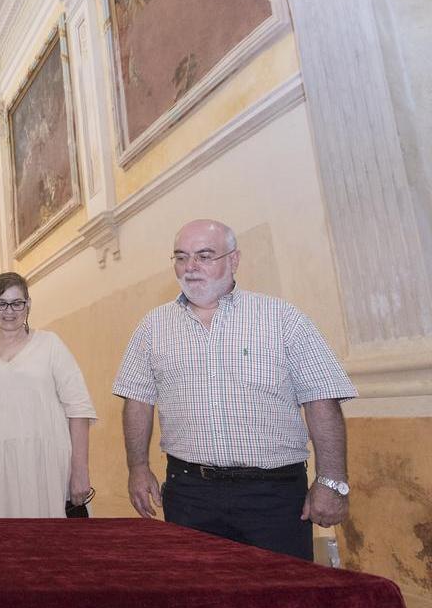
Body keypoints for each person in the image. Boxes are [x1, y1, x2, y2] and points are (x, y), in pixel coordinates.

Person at [113, 219, 357, 560]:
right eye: (182, 257)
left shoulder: (282, 319)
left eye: (205, 255)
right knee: (199, 601)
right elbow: (137, 402)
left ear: (234, 260)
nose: (191, 267)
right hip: (189, 494)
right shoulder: (152, 328)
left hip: (273, 495)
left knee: (281, 601)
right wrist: (138, 468)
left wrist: (331, 481)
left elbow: (322, 401)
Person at [0, 272, 97, 518]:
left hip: (44, 464)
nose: (10, 311)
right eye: (1, 303)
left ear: (28, 304)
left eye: (17, 303)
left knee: (49, 547)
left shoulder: (51, 345)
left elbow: (79, 409)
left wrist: (80, 470)